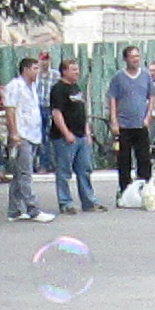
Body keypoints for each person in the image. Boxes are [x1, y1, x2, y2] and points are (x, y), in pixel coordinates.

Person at [0, 56, 54, 224]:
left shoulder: (33, 86)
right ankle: (33, 209)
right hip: (21, 135)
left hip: (33, 134)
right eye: (35, 68)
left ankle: (14, 210)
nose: (38, 72)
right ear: (26, 69)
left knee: (18, 174)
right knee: (25, 173)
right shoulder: (15, 86)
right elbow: (10, 110)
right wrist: (14, 133)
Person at [49, 58, 99, 214]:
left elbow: (82, 112)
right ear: (64, 71)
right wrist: (66, 133)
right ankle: (66, 203)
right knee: (64, 171)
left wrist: (87, 132)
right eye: (73, 69)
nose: (77, 72)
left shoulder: (76, 88)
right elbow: (56, 113)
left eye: (77, 69)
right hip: (64, 137)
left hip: (81, 135)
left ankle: (89, 202)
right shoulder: (58, 89)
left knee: (85, 169)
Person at [105, 46, 155, 200]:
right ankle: (125, 192)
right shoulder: (118, 77)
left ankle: (144, 190)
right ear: (125, 59)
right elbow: (112, 98)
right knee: (124, 160)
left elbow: (152, 96)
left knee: (144, 159)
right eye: (132, 57)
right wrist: (114, 121)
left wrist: (148, 116)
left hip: (141, 125)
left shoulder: (146, 75)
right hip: (124, 125)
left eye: (137, 56)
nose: (135, 59)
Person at [32, 52, 58, 177]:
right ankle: (43, 164)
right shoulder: (35, 75)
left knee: (53, 137)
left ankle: (56, 164)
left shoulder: (55, 75)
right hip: (38, 108)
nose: (44, 62)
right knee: (40, 137)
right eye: (42, 60)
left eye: (46, 60)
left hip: (51, 107)